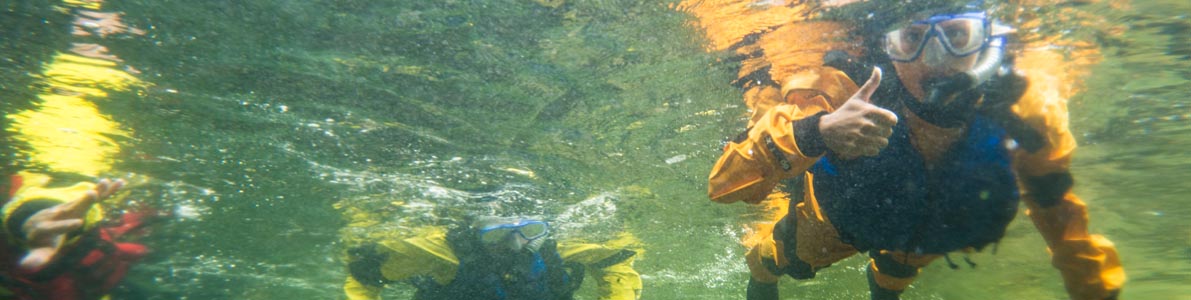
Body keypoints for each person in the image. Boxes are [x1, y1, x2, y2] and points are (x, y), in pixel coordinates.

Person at [702, 1, 1124, 299]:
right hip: (835, 222)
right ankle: (761, 275)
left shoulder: (1025, 107)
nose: (933, 61)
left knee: (903, 263)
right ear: (887, 48)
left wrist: (1095, 289)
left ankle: (885, 292)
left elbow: (1057, 207)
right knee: (786, 258)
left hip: (925, 229)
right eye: (912, 41)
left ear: (986, 41)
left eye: (956, 36)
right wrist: (818, 130)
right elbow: (724, 186)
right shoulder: (837, 87)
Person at [343, 216, 643, 300]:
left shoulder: (554, 246)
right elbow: (364, 275)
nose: (515, 243)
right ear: (476, 233)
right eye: (497, 234)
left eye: (529, 231)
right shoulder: (442, 248)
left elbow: (614, 258)